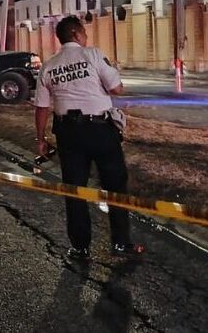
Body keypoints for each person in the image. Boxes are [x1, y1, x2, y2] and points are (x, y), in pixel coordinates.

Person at [34, 15, 145, 261]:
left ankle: (80, 247)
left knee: (75, 190)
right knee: (115, 186)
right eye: (83, 33)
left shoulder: (49, 66)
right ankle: (121, 243)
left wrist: (40, 140)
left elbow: (41, 108)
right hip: (100, 130)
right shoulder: (92, 55)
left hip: (68, 134)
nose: (86, 37)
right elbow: (117, 89)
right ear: (76, 34)